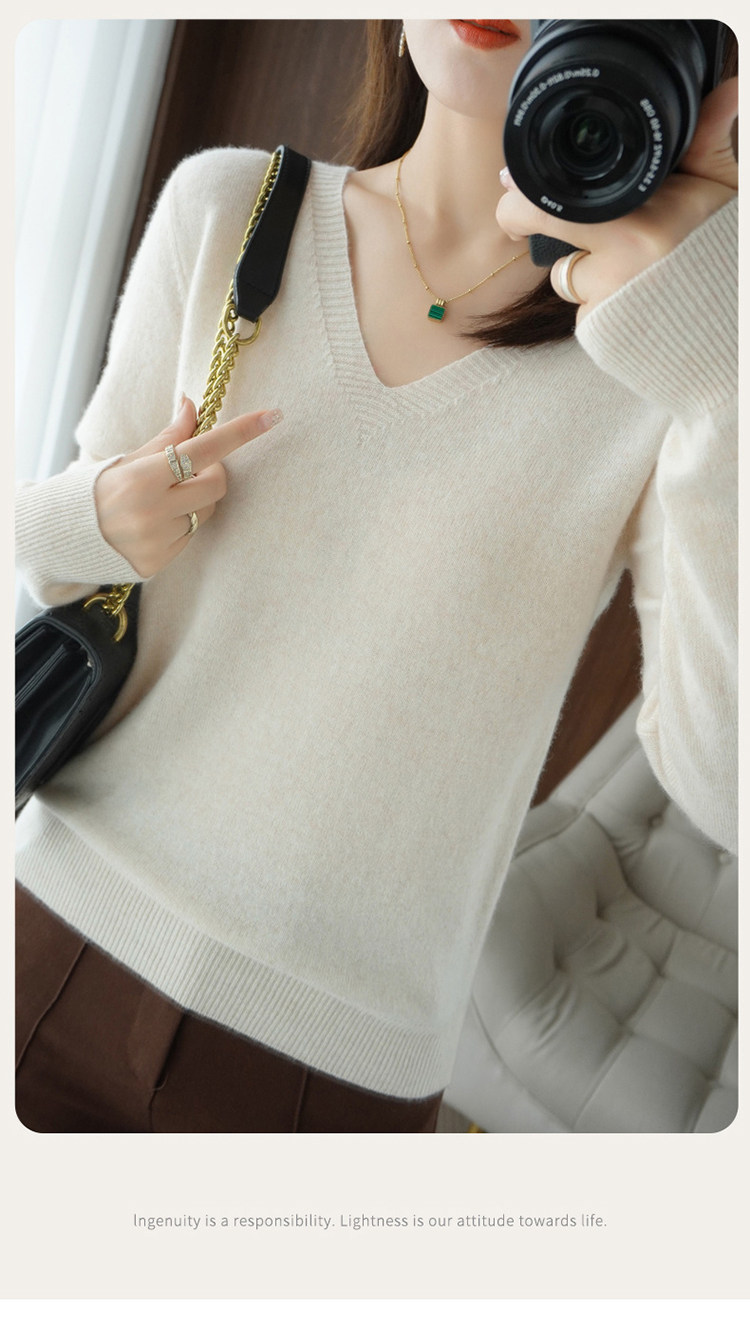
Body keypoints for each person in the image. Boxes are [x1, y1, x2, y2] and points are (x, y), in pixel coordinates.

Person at [15, 19, 738, 1132]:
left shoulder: (661, 357)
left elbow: (721, 782)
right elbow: (56, 574)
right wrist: (97, 512)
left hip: (333, 1063)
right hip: (52, 932)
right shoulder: (230, 208)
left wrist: (725, 373)